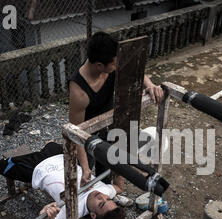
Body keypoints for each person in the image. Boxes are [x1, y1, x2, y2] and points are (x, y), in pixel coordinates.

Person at [0, 142, 126, 219]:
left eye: (100, 204)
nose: (101, 196)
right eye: (108, 199)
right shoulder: (106, 192)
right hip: (63, 158)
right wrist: (120, 167)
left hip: (38, 167)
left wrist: (43, 217)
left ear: (92, 214)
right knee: (51, 142)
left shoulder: (71, 211)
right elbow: (119, 187)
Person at [69, 31, 164, 187]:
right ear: (99, 65)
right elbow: (75, 132)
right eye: (114, 64)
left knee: (108, 167)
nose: (117, 65)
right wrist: (85, 168)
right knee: (84, 175)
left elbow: (134, 71)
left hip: (108, 127)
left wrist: (150, 86)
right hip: (87, 135)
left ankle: (110, 194)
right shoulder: (79, 92)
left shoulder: (109, 62)